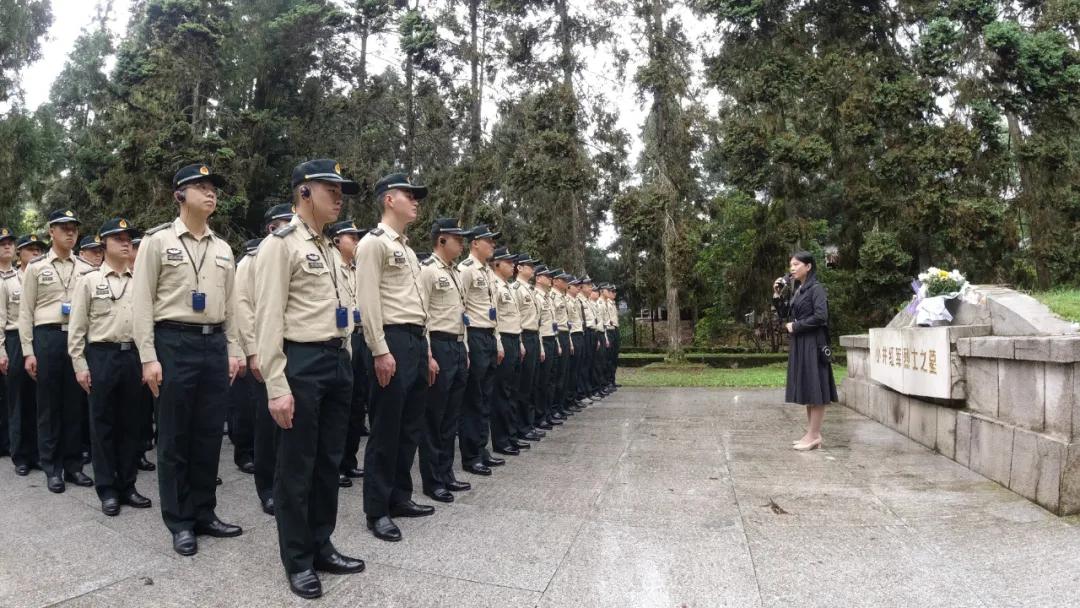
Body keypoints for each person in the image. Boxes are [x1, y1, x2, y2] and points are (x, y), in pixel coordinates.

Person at [254, 159, 366, 599]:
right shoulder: (281, 245)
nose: (339, 197)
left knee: (328, 462)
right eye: (330, 189)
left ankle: (322, 543)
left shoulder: (329, 248)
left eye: (342, 191)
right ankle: (297, 559)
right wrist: (276, 386)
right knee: (297, 466)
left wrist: (348, 355)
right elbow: (268, 318)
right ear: (304, 192)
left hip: (336, 361)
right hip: (300, 362)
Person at [133, 163, 244, 556]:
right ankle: (180, 521)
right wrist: (148, 357)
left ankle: (205, 513)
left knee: (209, 433)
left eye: (213, 187)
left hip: (213, 346)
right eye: (201, 186)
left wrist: (234, 350)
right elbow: (141, 302)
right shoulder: (157, 241)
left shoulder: (223, 248)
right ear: (179, 194)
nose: (211, 192)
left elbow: (231, 306)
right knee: (175, 435)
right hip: (173, 342)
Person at [355, 172, 435, 543]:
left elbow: (420, 307)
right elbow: (367, 301)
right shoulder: (374, 244)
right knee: (386, 428)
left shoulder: (406, 249)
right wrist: (380, 349)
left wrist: (428, 352)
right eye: (409, 194)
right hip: (392, 340)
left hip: (415, 341)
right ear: (389, 199)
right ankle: (377, 509)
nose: (416, 200)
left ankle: (400, 496)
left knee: (410, 426)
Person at [67, 217, 152, 516]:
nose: (126, 241)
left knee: (131, 424)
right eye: (119, 238)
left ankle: (128, 484)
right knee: (102, 424)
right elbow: (77, 328)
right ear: (104, 245)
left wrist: (147, 360)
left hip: (132, 356)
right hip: (101, 355)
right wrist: (80, 365)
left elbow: (147, 324)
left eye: (128, 237)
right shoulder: (89, 281)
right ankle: (107, 489)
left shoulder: (140, 279)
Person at [18, 209, 96, 493]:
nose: (70, 232)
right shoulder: (37, 267)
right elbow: (25, 312)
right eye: (64, 228)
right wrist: (28, 351)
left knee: (75, 404)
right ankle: (52, 467)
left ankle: (74, 465)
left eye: (74, 228)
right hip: (48, 337)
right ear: (51, 231)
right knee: (49, 405)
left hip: (77, 340)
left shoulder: (86, 268)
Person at [416, 218, 472, 503]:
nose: (461, 243)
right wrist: (426, 355)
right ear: (441, 240)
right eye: (457, 238)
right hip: (437, 345)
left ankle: (446, 472)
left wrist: (466, 350)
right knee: (433, 418)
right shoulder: (427, 270)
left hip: (457, 346)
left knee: (451, 416)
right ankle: (432, 480)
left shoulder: (455, 273)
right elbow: (422, 315)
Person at [773, 251, 837, 451]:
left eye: (796, 264)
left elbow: (821, 316)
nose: (792, 268)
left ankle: (814, 435)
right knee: (810, 387)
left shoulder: (816, 289)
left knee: (815, 388)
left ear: (808, 267)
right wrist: (776, 294)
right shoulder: (799, 290)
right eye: (790, 265)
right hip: (801, 343)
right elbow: (785, 314)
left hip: (813, 344)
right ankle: (812, 434)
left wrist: (797, 326)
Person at [456, 225, 505, 476]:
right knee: (473, 399)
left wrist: (496, 341)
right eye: (489, 241)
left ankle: (482, 449)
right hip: (473, 335)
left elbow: (492, 310)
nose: (492, 245)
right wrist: (464, 344)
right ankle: (471, 455)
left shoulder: (487, 272)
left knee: (486, 397)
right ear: (475, 243)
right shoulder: (465, 269)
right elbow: (461, 308)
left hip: (487, 335)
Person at [326, 219, 369, 489]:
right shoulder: (332, 267)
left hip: (362, 336)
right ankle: (336, 465)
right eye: (351, 237)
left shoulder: (357, 269)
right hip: (343, 336)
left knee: (357, 404)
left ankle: (350, 461)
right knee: (339, 408)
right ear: (337, 240)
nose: (356, 241)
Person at [3, 234, 46, 475]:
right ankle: (20, 455)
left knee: (37, 399)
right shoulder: (9, 281)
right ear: (20, 254)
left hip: (37, 338)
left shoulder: (44, 278)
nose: (36, 253)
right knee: (18, 400)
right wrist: (2, 351)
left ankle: (37, 452)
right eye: (31, 250)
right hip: (15, 340)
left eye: (39, 250)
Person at [489, 246, 527, 456]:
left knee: (512, 390)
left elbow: (516, 318)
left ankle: (511, 435)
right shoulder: (494, 285)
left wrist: (519, 342)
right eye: (508, 263)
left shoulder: (509, 287)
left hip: (513, 338)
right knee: (501, 393)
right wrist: (499, 342)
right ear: (497, 264)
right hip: (502, 337)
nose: (512, 266)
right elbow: (493, 316)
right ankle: (501, 440)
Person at [511, 254, 545, 444]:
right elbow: (514, 317)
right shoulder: (514, 288)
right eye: (529, 266)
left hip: (533, 336)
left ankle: (528, 424)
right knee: (522, 386)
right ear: (520, 268)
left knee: (530, 384)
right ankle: (520, 427)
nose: (532, 269)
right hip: (522, 336)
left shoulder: (530, 290)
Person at [129, 235, 156, 474]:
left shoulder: (148, 276)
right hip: (117, 350)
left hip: (147, 347)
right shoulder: (94, 278)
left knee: (141, 407)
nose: (133, 250)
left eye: (136, 246)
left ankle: (139, 451)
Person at [531, 265, 559, 430]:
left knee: (550, 380)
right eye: (546, 276)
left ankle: (547, 414)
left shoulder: (548, 297)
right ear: (539, 278)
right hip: (542, 340)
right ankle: (539, 417)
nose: (550, 279)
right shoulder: (536, 296)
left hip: (552, 339)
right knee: (541, 382)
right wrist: (541, 346)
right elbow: (538, 324)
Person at [0, 227, 17, 460]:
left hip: (14, 341)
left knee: (12, 396)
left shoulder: (22, 276)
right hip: (3, 342)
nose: (7, 246)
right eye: (2, 243)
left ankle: (10, 442)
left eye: (10, 243)